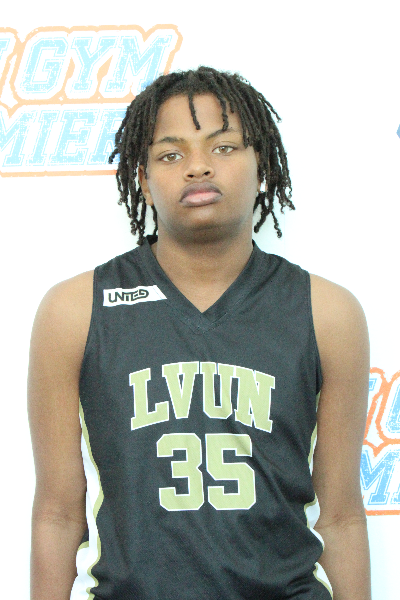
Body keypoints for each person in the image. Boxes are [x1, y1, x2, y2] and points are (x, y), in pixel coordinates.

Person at [28, 66, 371, 600]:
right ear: (143, 180)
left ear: (263, 167)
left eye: (224, 147)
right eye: (170, 154)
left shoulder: (328, 313)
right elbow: (56, 513)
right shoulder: (75, 310)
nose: (198, 166)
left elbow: (343, 516)